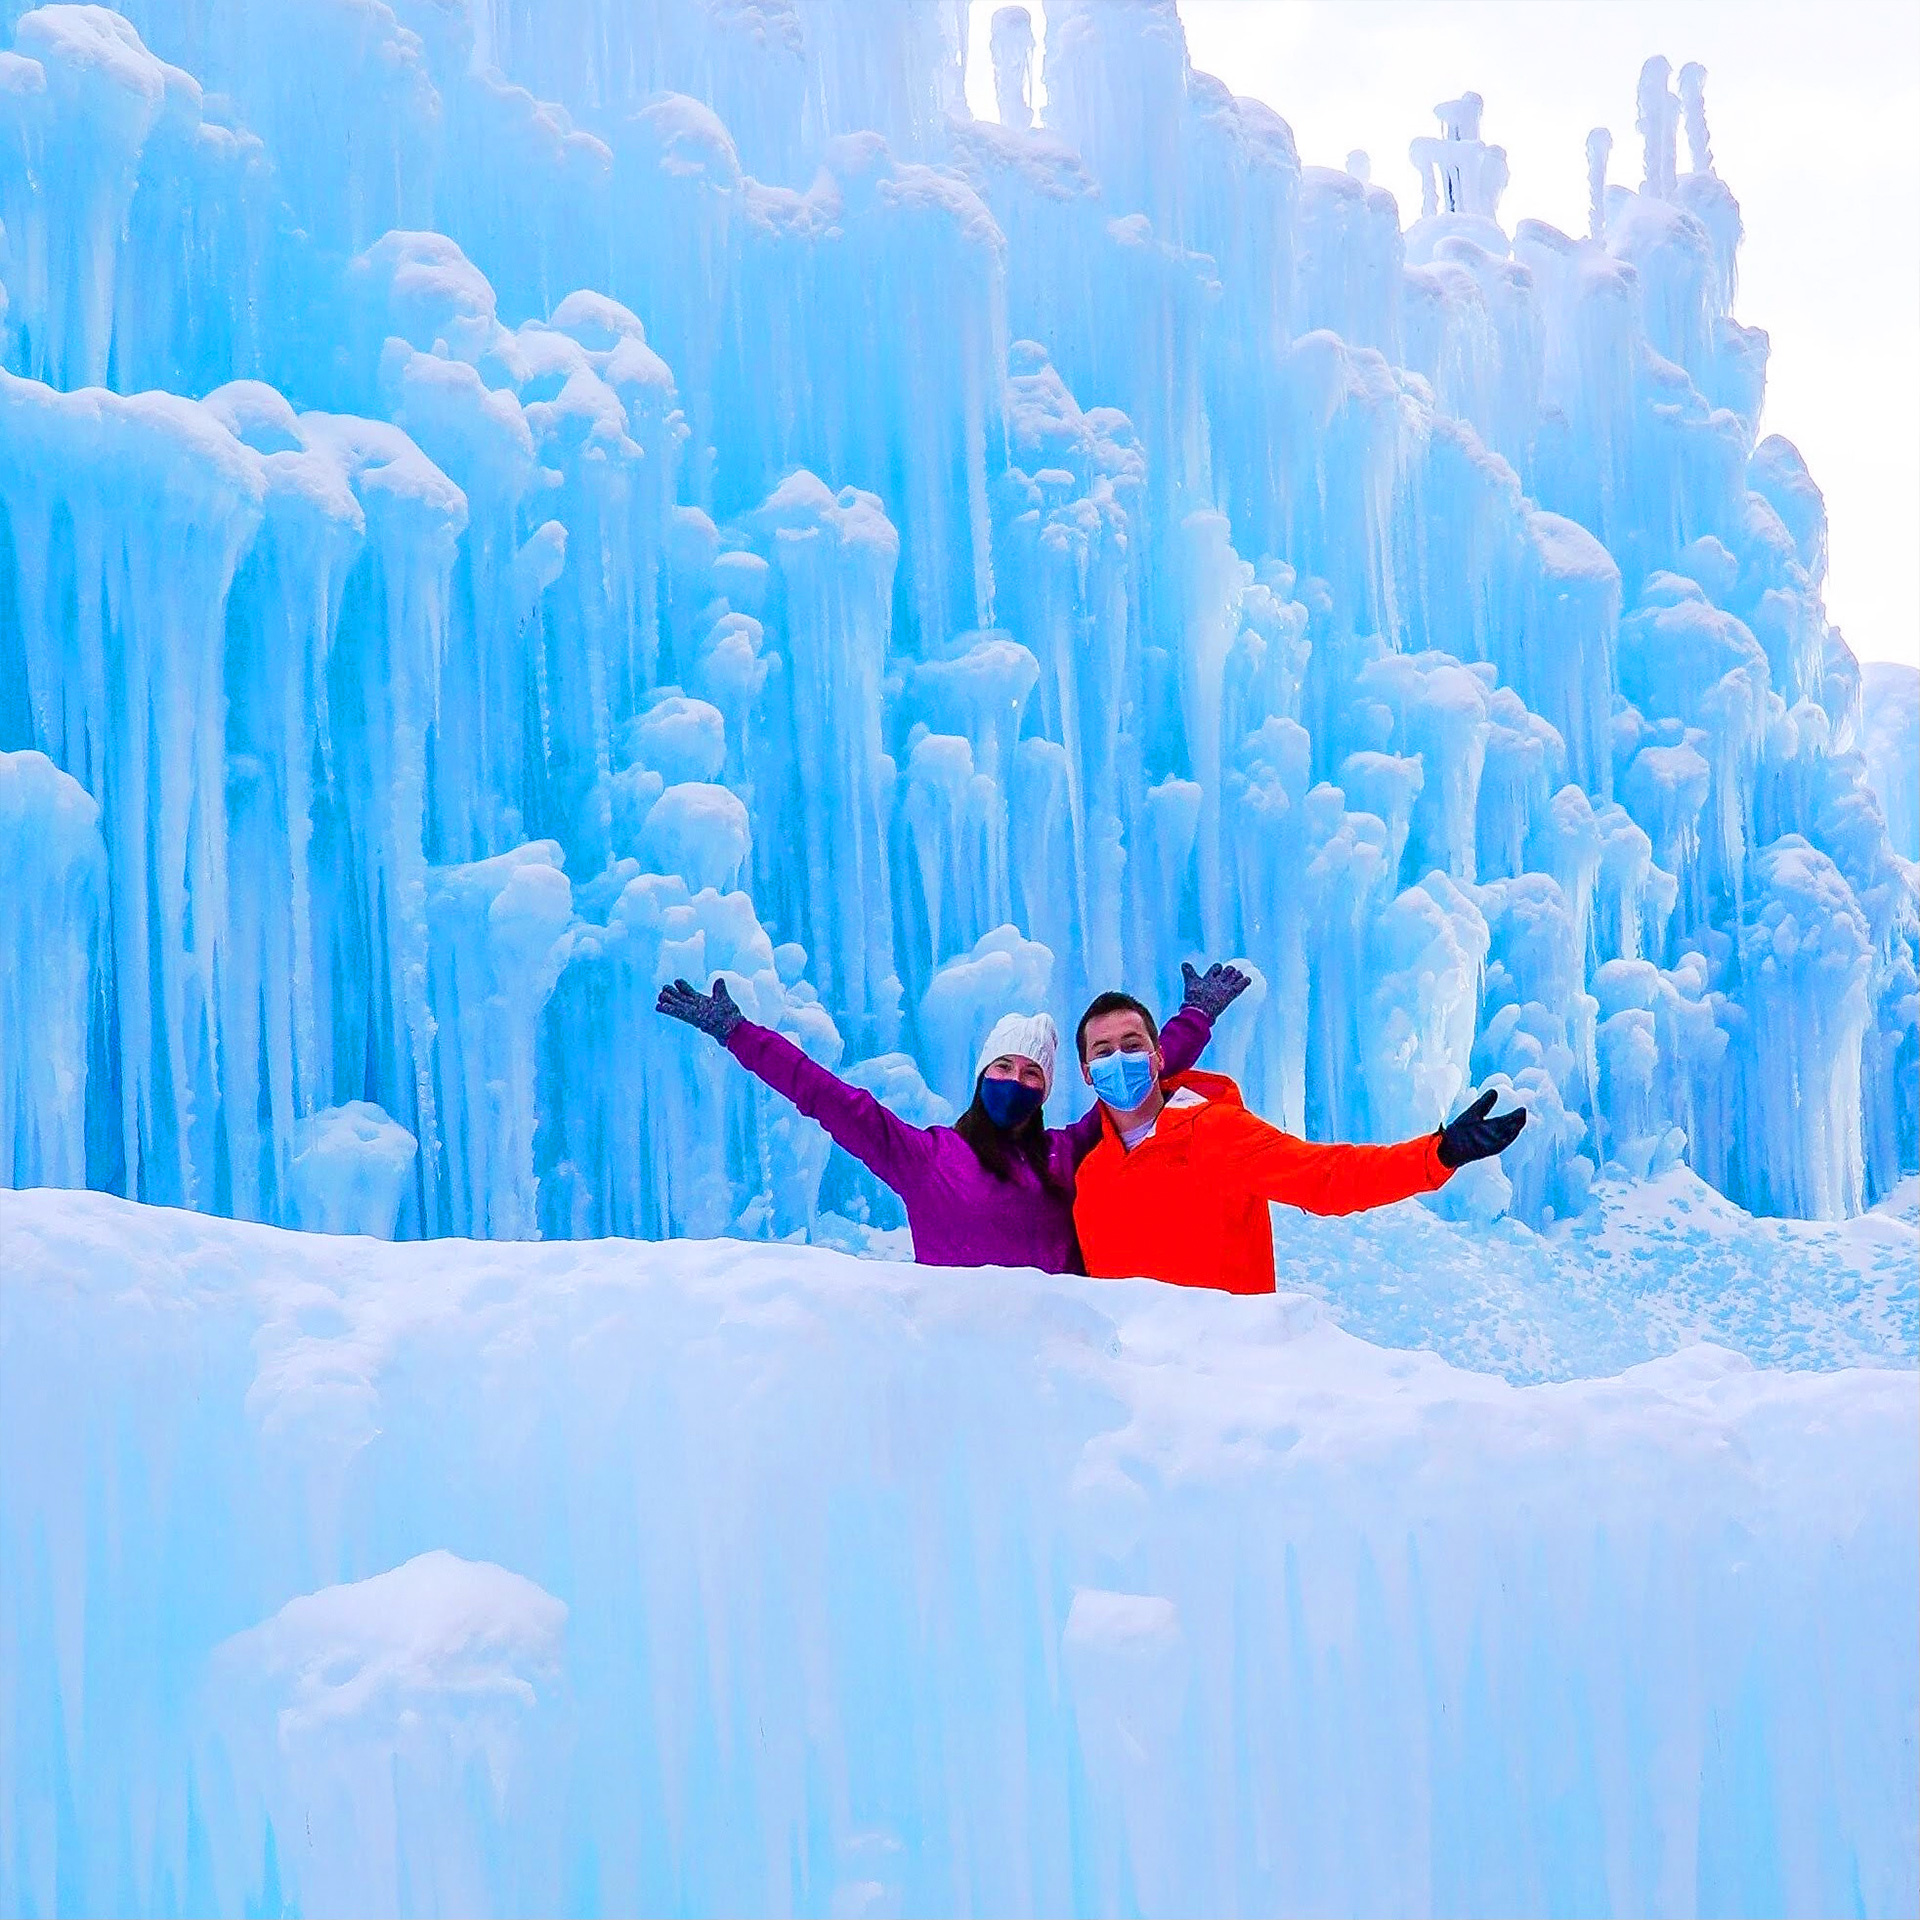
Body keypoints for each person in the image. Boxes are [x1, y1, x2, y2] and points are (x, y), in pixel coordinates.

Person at [654, 962, 1252, 1271]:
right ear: (980, 1076)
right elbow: (826, 1097)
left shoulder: (1067, 1154)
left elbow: (1138, 1070)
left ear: (1044, 1091)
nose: (1015, 1081)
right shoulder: (925, 1158)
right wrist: (738, 1033)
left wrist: (1196, 1016)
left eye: (1031, 1074)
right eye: (1004, 1067)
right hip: (969, 1367)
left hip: (1075, 1367)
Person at [1071, 990, 1526, 1295]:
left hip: (1227, 1384)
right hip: (1139, 1398)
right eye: (1103, 1051)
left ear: (1157, 1057)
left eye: (1132, 1045)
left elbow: (1324, 1176)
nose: (1119, 1059)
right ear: (1088, 1074)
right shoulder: (1089, 1177)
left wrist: (1436, 1154)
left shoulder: (1214, 1131)